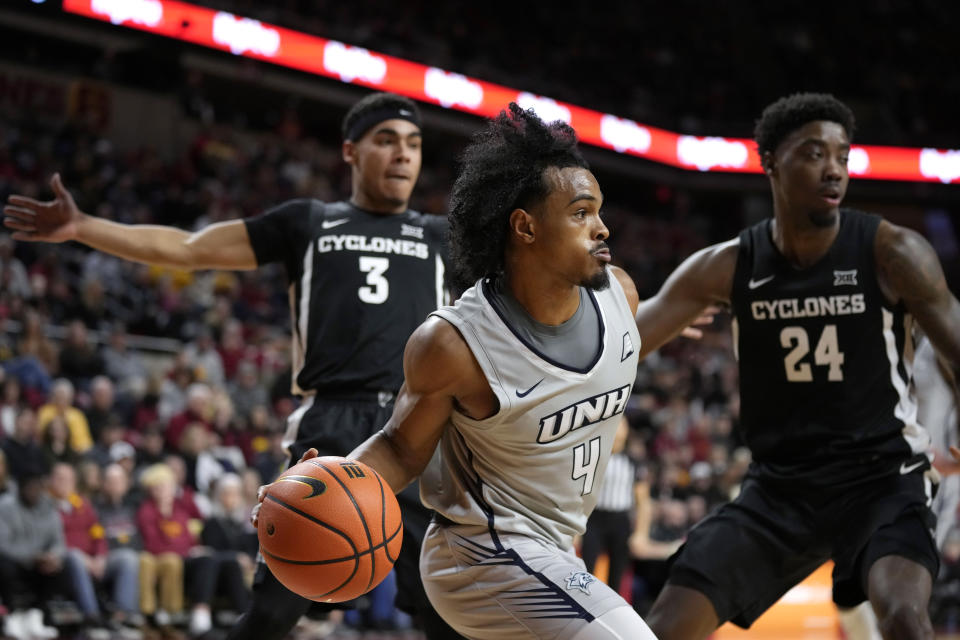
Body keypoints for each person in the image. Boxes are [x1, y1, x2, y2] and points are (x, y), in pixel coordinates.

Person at [4, 91, 461, 639]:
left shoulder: (441, 236)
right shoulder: (308, 222)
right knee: (272, 611)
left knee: (442, 609)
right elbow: (189, 248)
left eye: (413, 144)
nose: (403, 155)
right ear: (350, 151)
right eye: (386, 140)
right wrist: (83, 228)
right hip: (330, 424)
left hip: (414, 429)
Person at [259, 103, 662, 639]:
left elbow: (625, 347)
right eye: (582, 213)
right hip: (479, 554)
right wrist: (327, 483)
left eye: (599, 211)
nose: (602, 227)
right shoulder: (455, 342)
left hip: (554, 547)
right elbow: (401, 448)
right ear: (525, 226)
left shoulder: (620, 296)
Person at [627, 92, 960, 640]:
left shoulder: (891, 251)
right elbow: (624, 342)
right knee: (663, 626)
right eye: (813, 153)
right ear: (770, 163)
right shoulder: (727, 265)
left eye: (842, 156)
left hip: (881, 479)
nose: (833, 169)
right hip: (780, 488)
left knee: (902, 615)